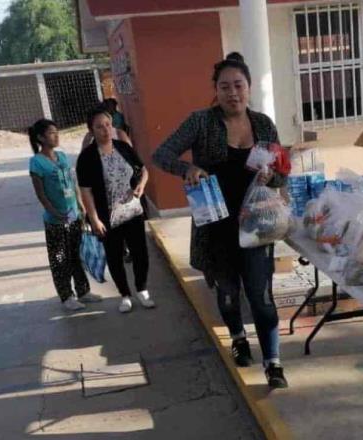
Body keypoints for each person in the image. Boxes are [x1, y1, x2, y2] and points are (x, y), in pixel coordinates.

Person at [152, 52, 290, 389]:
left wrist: (272, 175)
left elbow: (282, 177)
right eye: (225, 87)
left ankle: (273, 363)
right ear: (216, 90)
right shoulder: (200, 121)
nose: (233, 93)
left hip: (256, 225)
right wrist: (188, 169)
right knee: (228, 292)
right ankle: (239, 338)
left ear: (249, 88)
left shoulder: (263, 125)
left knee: (261, 295)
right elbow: (162, 154)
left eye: (238, 86)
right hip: (215, 226)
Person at [76, 107, 154, 313]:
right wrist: (94, 218)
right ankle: (125, 295)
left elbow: (143, 169)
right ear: (91, 130)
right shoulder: (87, 157)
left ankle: (142, 289)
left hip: (133, 212)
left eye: (108, 125)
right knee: (114, 256)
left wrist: (141, 186)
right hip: (107, 217)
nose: (105, 130)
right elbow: (86, 192)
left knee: (140, 253)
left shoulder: (123, 147)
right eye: (99, 127)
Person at [28, 119, 103, 311]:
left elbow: (72, 182)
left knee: (77, 255)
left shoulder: (61, 156)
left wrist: (80, 204)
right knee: (60, 259)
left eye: (57, 131)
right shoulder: (36, 162)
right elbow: (40, 193)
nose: (56, 135)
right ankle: (66, 296)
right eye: (52, 133)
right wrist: (53, 211)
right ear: (40, 138)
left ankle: (83, 291)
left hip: (74, 216)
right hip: (56, 221)